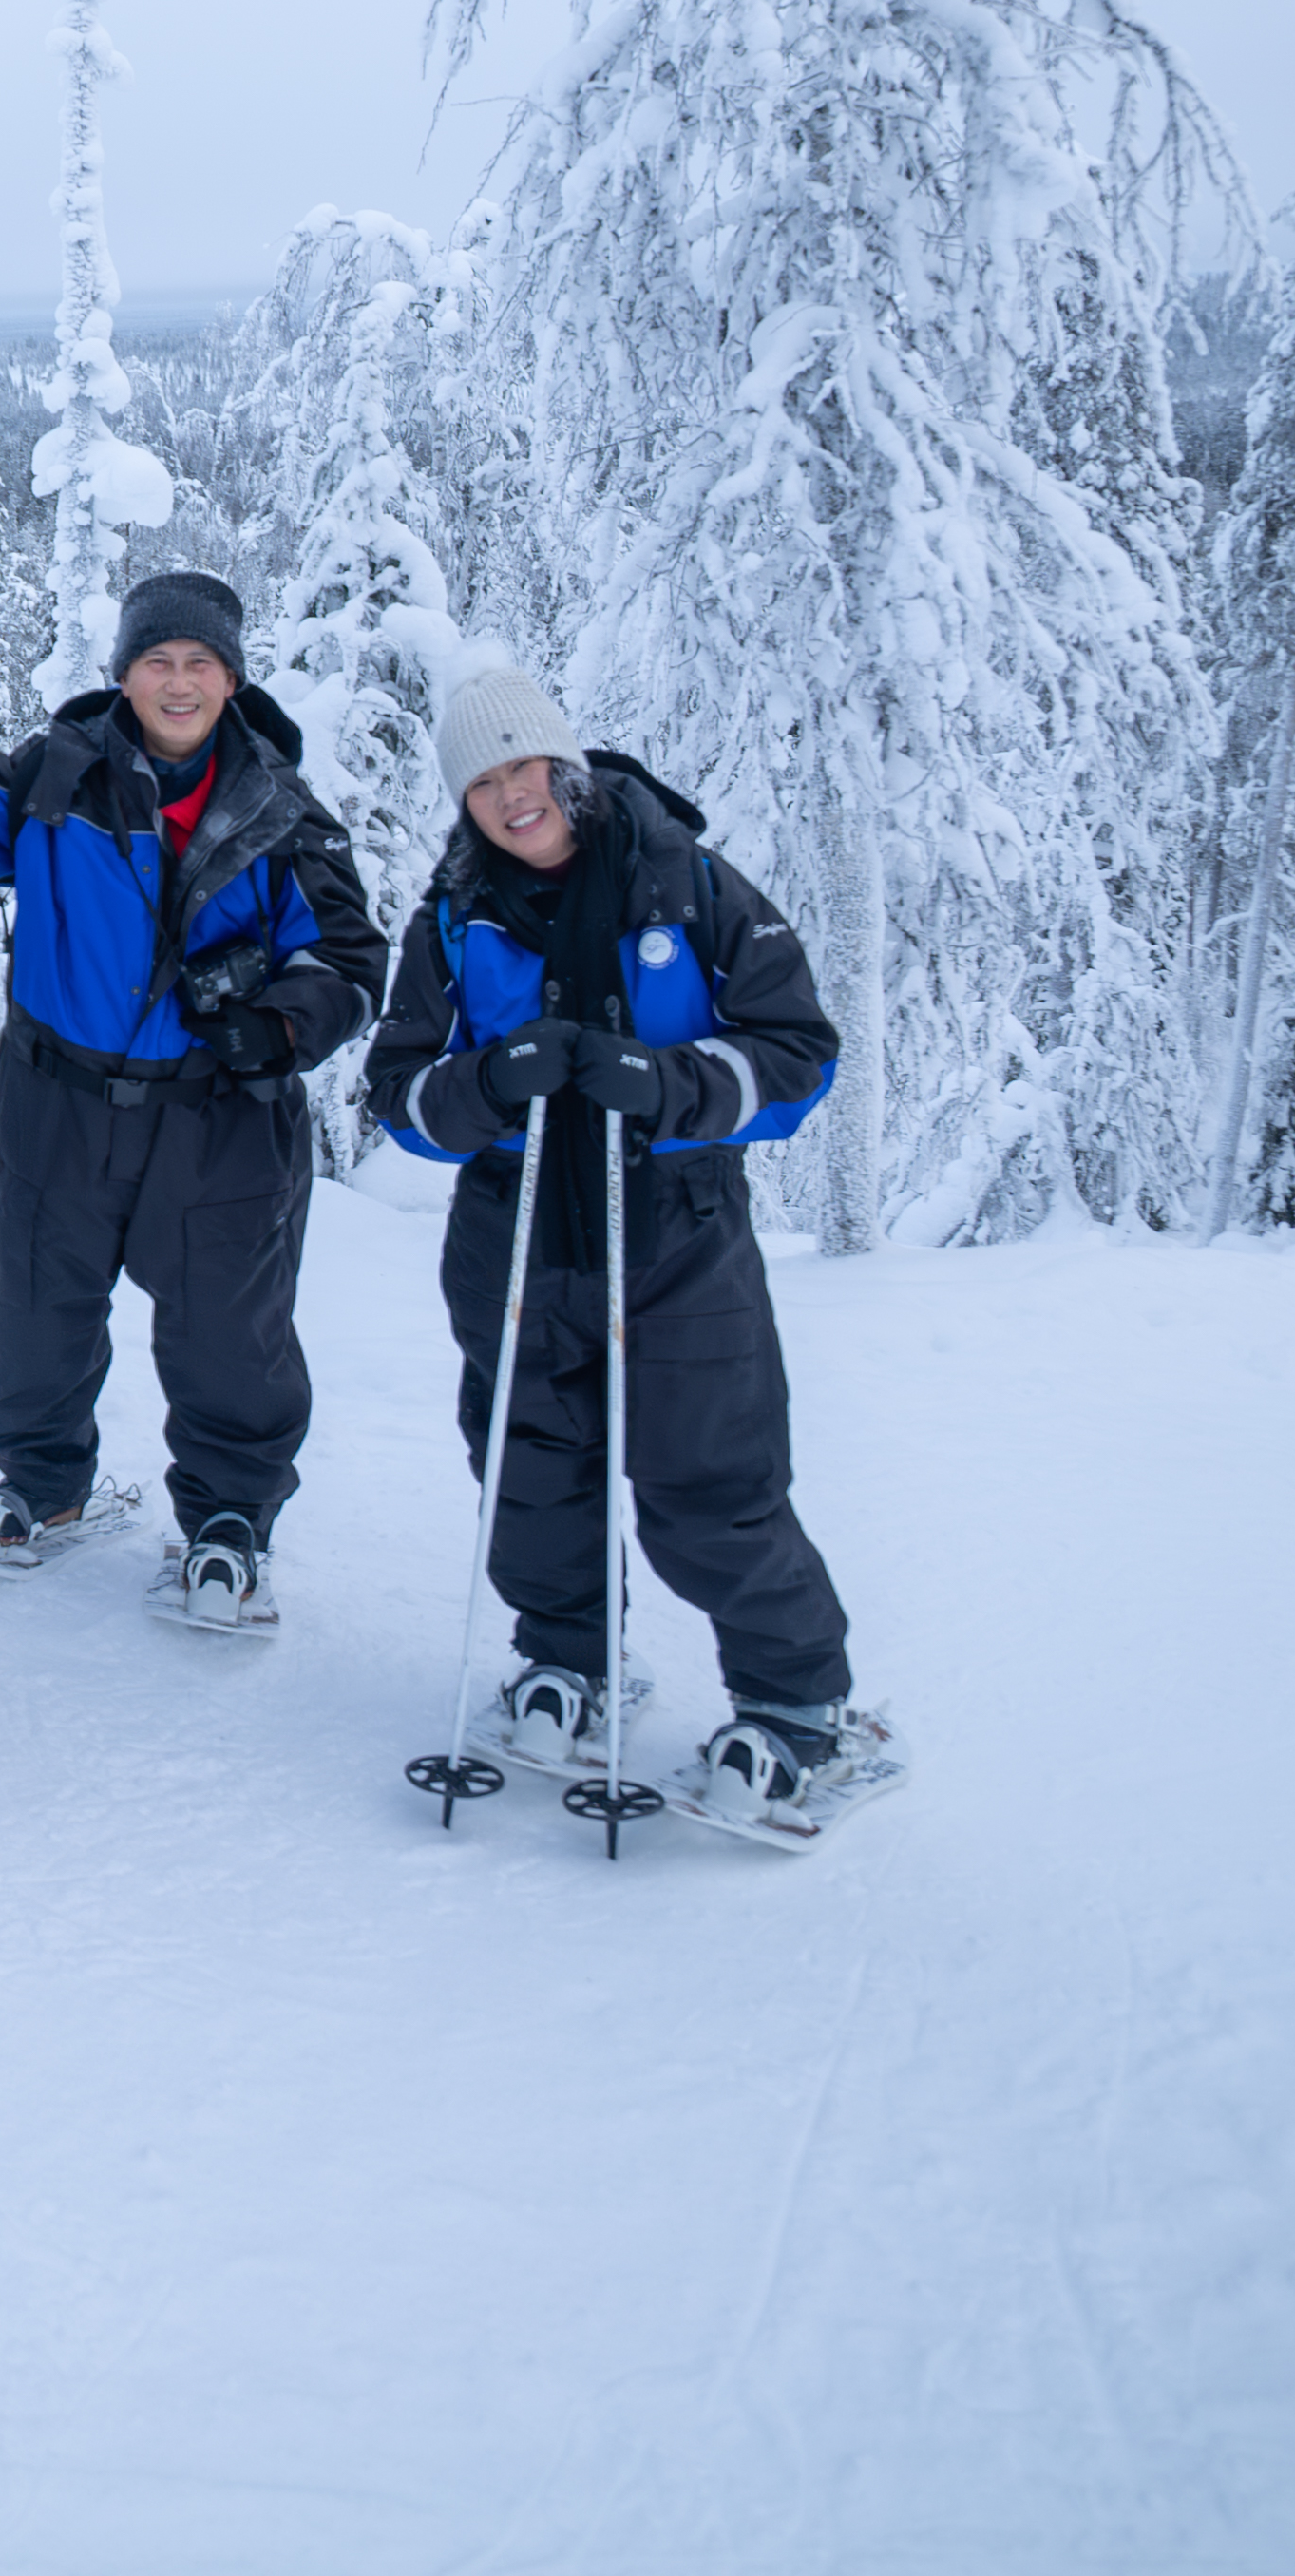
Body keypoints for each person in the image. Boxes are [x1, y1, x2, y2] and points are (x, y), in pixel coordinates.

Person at [361, 661, 870, 1837]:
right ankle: (568, 1663)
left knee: (712, 1483)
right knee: (531, 1471)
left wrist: (671, 1083)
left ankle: (799, 1709)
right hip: (518, 1231)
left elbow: (799, 1053)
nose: (509, 797)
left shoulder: (684, 880)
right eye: (481, 781)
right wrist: (487, 1081)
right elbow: (396, 1097)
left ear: (563, 765)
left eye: (521, 767)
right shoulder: (451, 914)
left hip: (676, 1231)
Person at [0, 566, 385, 1625]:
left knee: (227, 1334)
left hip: (218, 1113)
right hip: (56, 1099)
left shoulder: (282, 811)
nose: (180, 680)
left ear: (232, 679)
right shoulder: (58, 774)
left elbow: (348, 954)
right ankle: (43, 1488)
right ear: (126, 673)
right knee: (34, 1312)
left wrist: (281, 1022)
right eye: (159, 660)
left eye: (201, 662)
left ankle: (228, 1523)